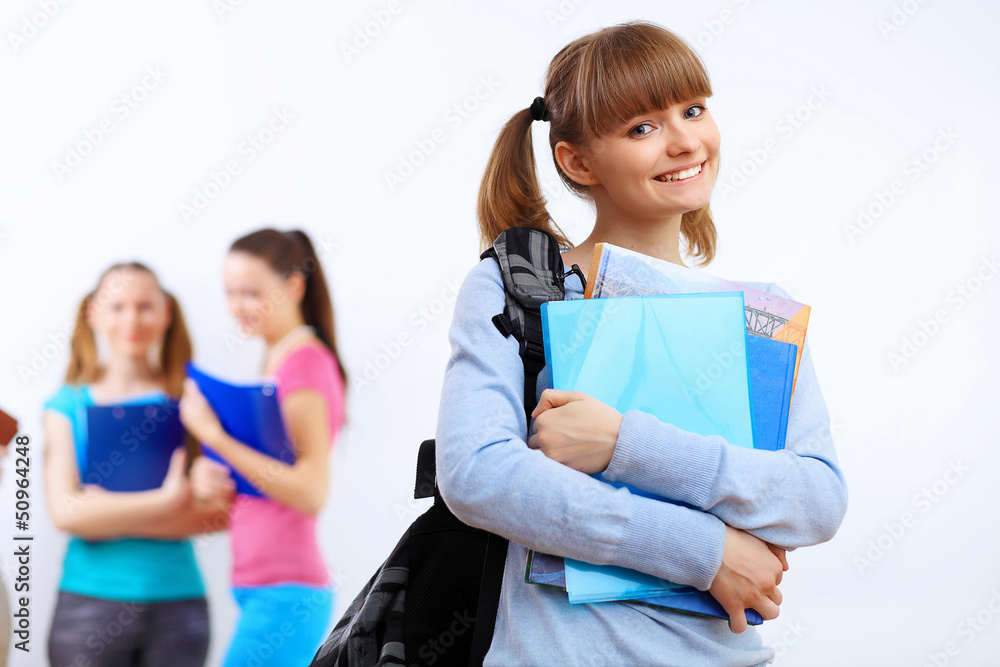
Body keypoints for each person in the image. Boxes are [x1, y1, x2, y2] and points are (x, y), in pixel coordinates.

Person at [435, 22, 848, 666]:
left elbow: (817, 500)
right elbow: (478, 473)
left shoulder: (759, 311)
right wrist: (705, 552)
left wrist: (624, 445)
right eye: (642, 128)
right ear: (577, 161)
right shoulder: (521, 285)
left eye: (693, 110)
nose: (685, 141)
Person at [179, 228, 347, 667]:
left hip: (286, 592)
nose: (238, 305)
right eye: (230, 292)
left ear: (293, 286)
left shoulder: (304, 364)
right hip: (262, 588)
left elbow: (310, 490)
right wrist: (212, 474)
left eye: (252, 292)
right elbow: (266, 479)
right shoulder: (276, 362)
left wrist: (214, 437)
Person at [43, 262, 224, 667]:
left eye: (144, 306)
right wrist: (168, 502)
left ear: (166, 313)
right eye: (117, 306)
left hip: (179, 607)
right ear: (94, 313)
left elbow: (219, 514)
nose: (131, 319)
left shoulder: (194, 402)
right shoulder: (67, 406)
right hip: (87, 607)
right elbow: (65, 514)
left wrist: (100, 514)